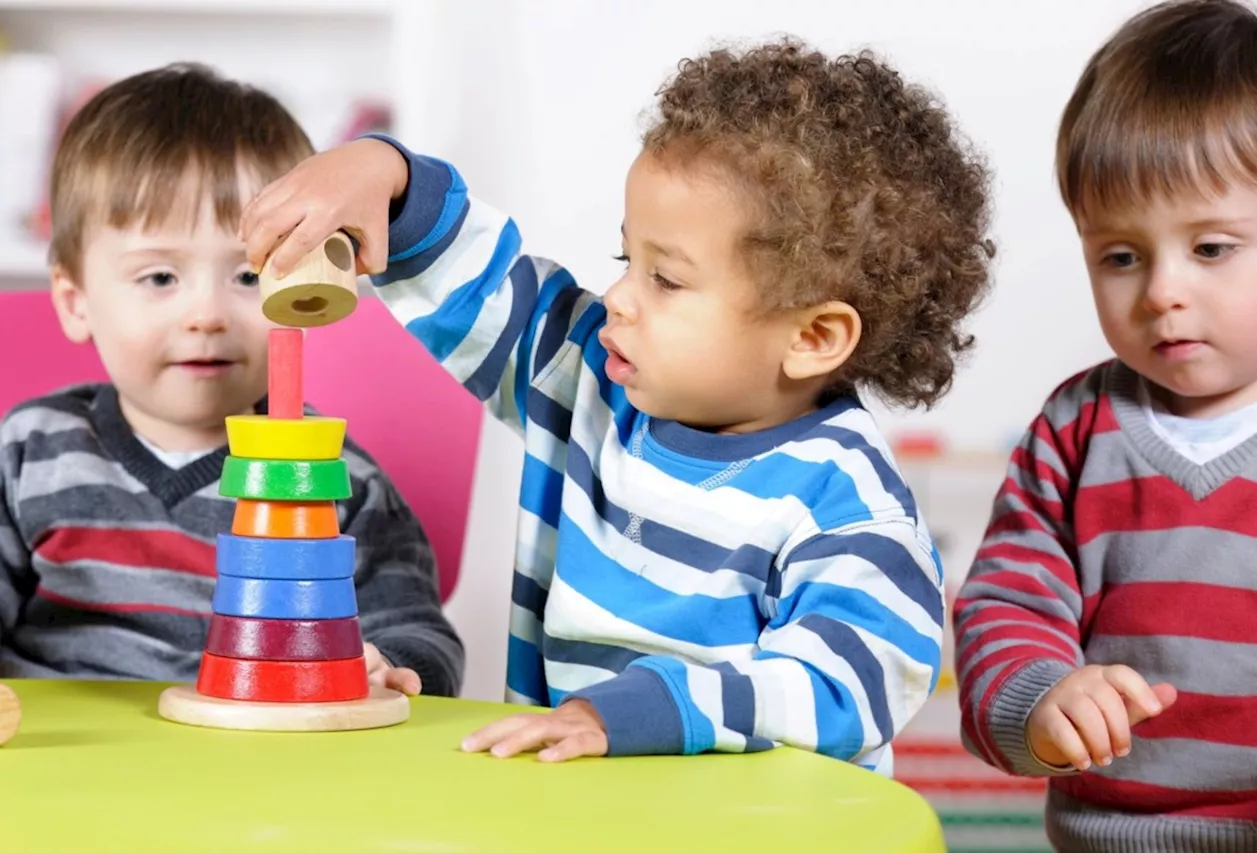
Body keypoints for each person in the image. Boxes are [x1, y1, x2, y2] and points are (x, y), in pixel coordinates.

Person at [240, 39, 994, 767]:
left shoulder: (848, 505)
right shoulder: (592, 378)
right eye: (626, 259)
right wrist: (388, 177)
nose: (619, 299)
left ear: (814, 335)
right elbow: (484, 290)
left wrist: (641, 710)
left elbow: (847, 683)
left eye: (666, 279)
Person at [0, 63, 464, 697]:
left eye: (248, 277)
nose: (207, 316)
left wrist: (393, 666)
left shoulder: (333, 477)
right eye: (160, 278)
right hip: (59, 768)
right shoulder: (29, 452)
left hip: (250, 774)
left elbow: (417, 631)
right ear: (76, 299)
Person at [954, 1, 1257, 848]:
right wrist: (1040, 699)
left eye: (1211, 248)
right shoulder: (1075, 430)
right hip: (1114, 834)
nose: (1162, 290)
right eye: (1121, 256)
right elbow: (1006, 601)